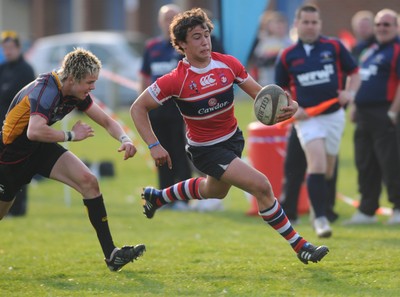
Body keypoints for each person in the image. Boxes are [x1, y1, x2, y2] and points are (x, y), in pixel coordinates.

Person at [130, 7, 329, 264]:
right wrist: (154, 144)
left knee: (214, 191)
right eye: (196, 37)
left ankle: (159, 196)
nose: (204, 42)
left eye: (206, 35)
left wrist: (286, 107)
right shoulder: (175, 80)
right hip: (206, 150)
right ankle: (300, 246)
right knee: (262, 186)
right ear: (181, 45)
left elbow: (262, 95)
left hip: (232, 140)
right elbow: (138, 108)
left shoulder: (228, 64)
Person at [0, 48, 145, 271]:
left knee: (89, 181)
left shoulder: (75, 92)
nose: (93, 87)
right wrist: (71, 136)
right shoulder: (46, 90)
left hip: (38, 149)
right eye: (89, 82)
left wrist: (125, 139)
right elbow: (34, 130)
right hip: (10, 157)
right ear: (73, 79)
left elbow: (106, 121)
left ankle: (112, 255)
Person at [275, 4, 361, 238]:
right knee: (318, 164)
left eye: (314, 22)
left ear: (320, 24)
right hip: (307, 120)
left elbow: (354, 73)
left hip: (334, 116)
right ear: (297, 24)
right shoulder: (287, 55)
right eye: (306, 22)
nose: (310, 26)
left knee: (329, 169)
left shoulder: (334, 46)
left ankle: (320, 208)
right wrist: (293, 107)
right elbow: (279, 90)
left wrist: (349, 93)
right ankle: (320, 218)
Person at [345, 9, 400, 225]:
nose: (382, 28)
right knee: (365, 162)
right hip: (364, 115)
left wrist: (393, 111)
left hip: (385, 113)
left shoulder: (396, 50)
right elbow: (361, 79)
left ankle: (398, 208)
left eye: (387, 24)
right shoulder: (370, 50)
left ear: (396, 27)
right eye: (379, 24)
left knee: (391, 163)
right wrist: (355, 106)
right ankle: (367, 210)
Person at [140, 4, 192, 211]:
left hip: (179, 109)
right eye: (166, 18)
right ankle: (163, 197)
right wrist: (143, 104)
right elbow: (144, 77)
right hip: (156, 110)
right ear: (159, 22)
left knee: (181, 152)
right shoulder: (151, 47)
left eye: (173, 17)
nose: (169, 22)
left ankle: (184, 197)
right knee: (160, 152)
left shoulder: (183, 47)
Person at [0, 30, 35, 217]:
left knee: (19, 167)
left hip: (20, 128)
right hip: (2, 127)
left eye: (11, 48)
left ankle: (19, 208)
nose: (8, 51)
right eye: (5, 48)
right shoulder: (3, 69)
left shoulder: (26, 70)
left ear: (19, 48)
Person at [249, 11, 293, 86]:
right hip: (266, 82)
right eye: (277, 26)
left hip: (284, 82)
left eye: (282, 26)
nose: (280, 28)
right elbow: (258, 61)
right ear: (271, 27)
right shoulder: (265, 42)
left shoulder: (290, 43)